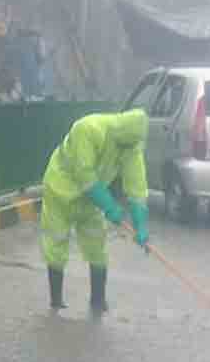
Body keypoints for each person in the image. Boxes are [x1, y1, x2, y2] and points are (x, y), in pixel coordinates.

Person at [41, 109, 150, 313]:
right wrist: (109, 206)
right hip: (60, 191)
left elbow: (137, 187)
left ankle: (98, 300)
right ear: (118, 132)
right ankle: (56, 299)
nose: (126, 150)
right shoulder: (88, 129)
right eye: (124, 145)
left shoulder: (131, 146)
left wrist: (140, 223)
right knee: (57, 241)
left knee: (97, 244)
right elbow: (84, 175)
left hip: (91, 200)